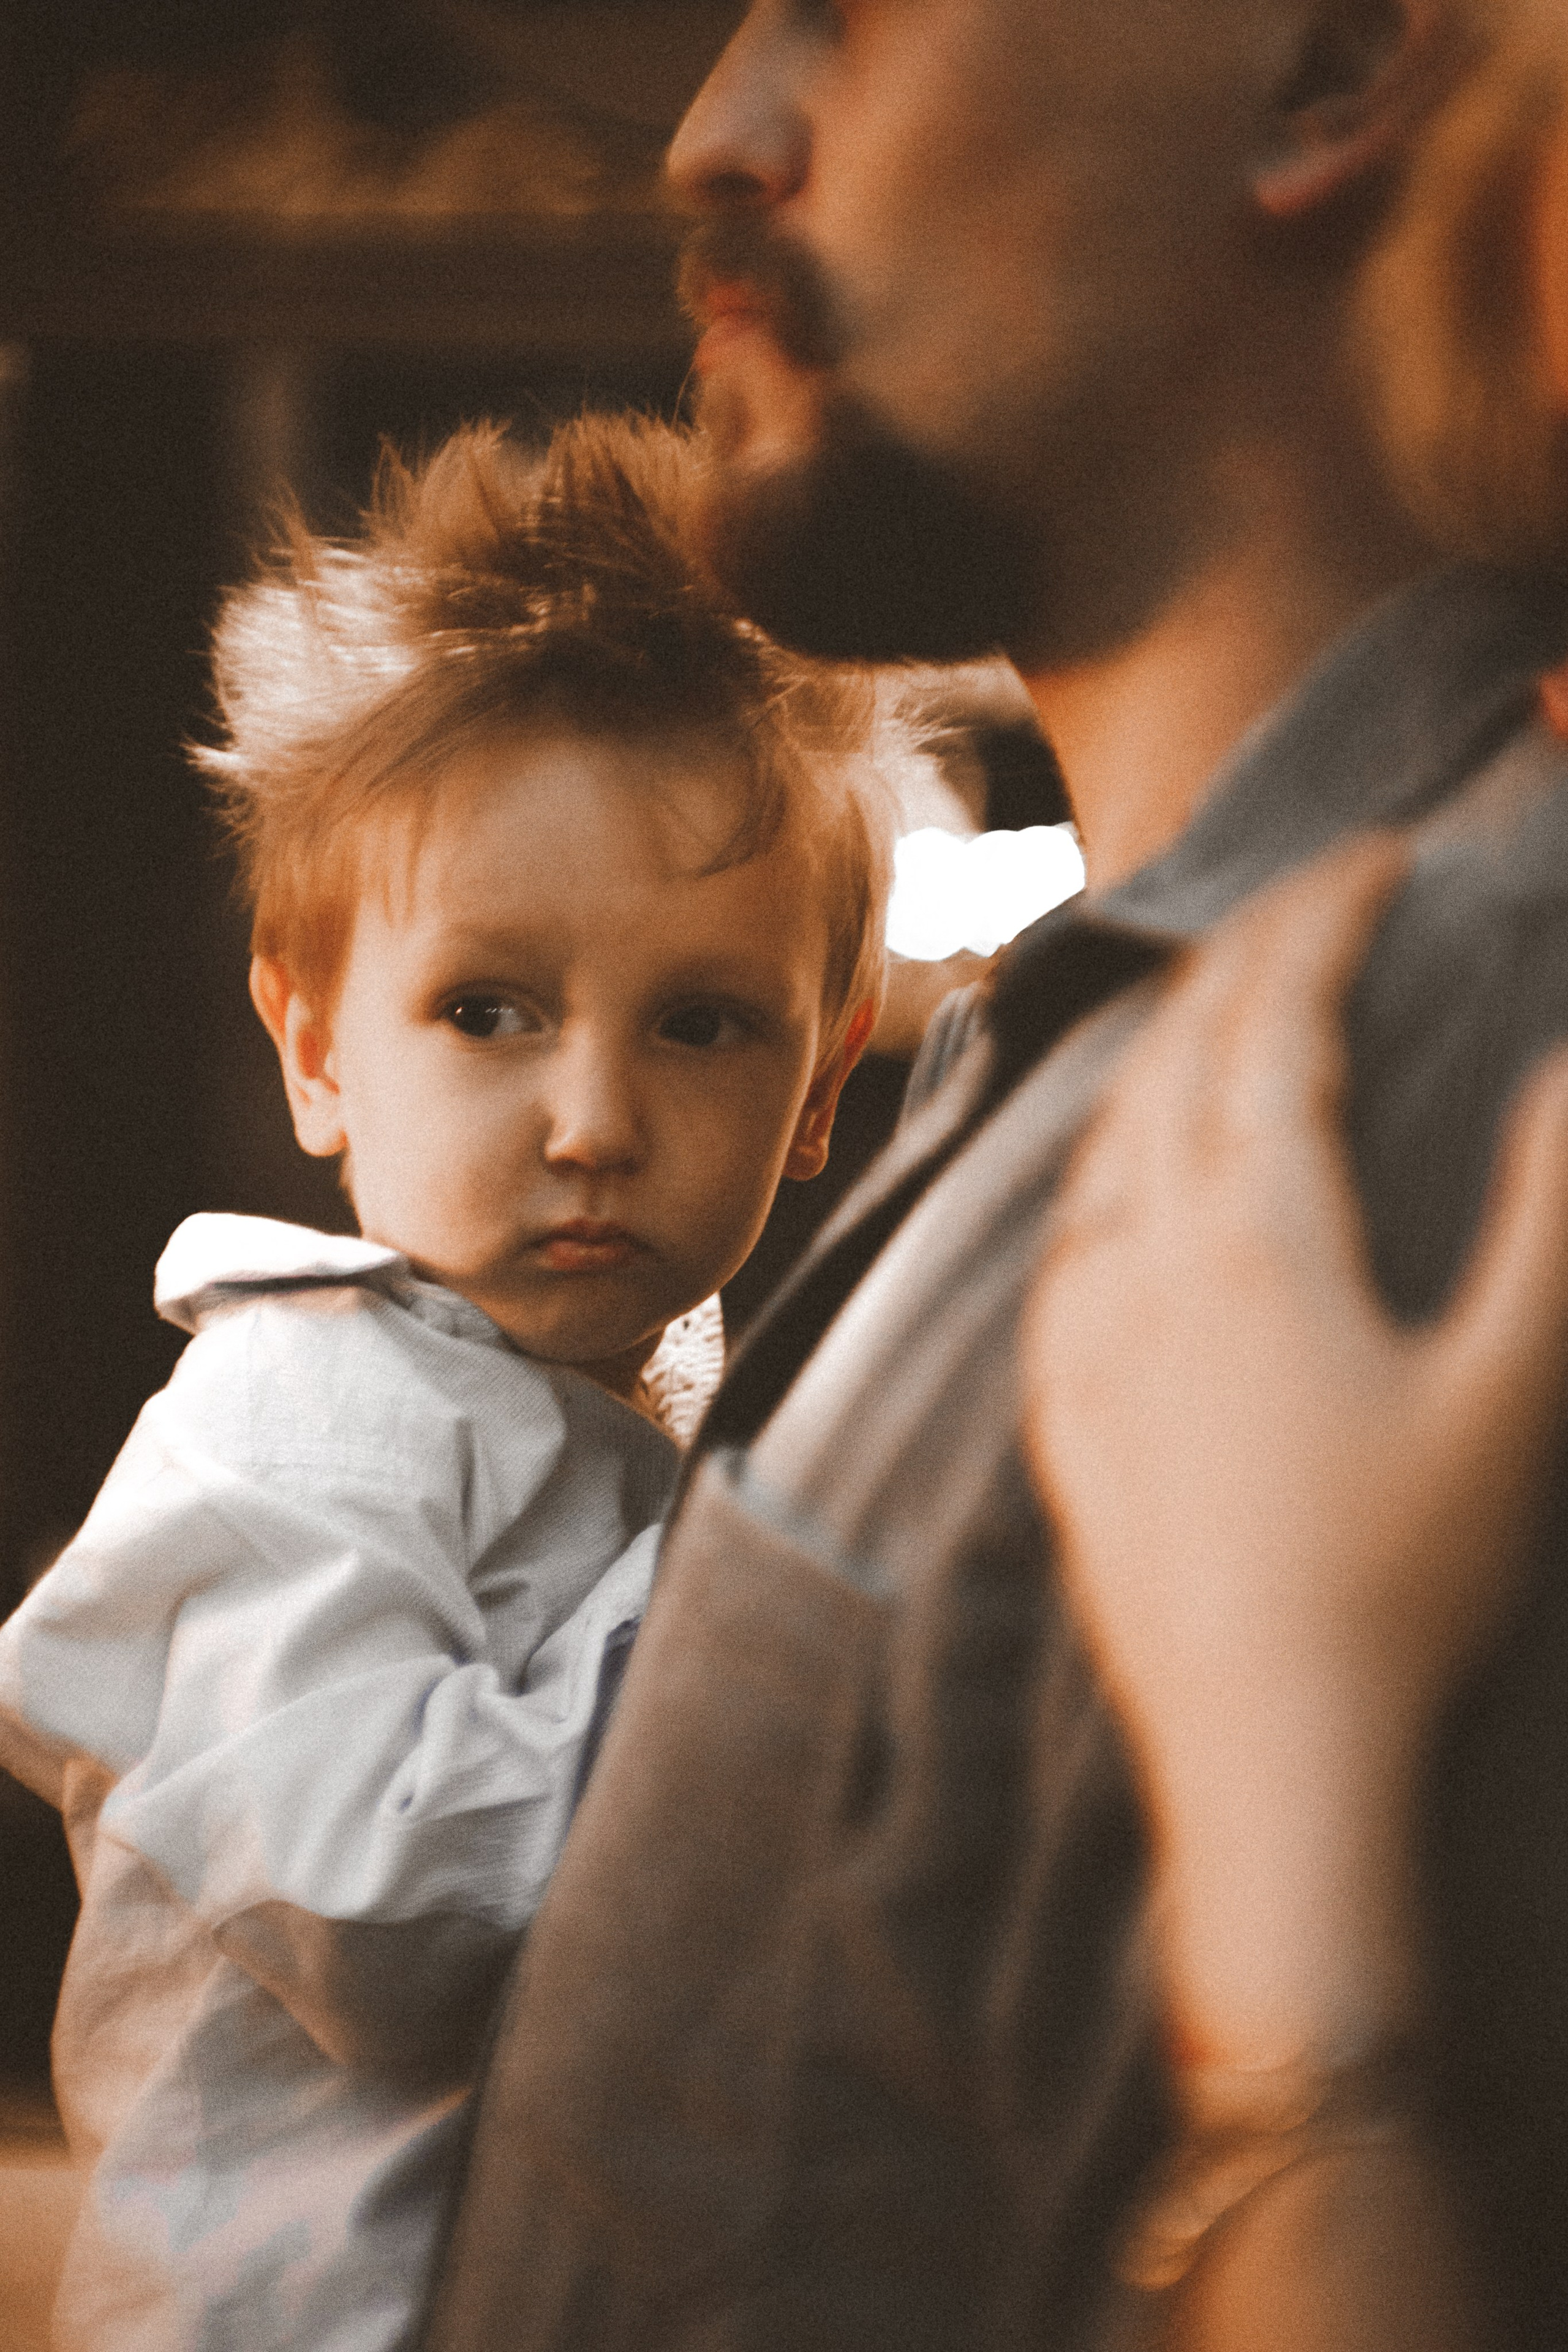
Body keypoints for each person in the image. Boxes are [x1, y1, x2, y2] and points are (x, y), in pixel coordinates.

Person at [419, 4, 1568, 2350]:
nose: (711, 134)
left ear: (1331, 66)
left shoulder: (1444, 1081)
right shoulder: (1134, 1033)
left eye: (848, 7)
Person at [0, 412, 891, 2352]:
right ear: (317, 1044)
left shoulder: (659, 1383)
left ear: (819, 1094)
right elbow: (378, 1914)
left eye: (705, 1024)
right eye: (488, 1010)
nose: (592, 1118)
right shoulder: (285, 1433)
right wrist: (754, 1603)